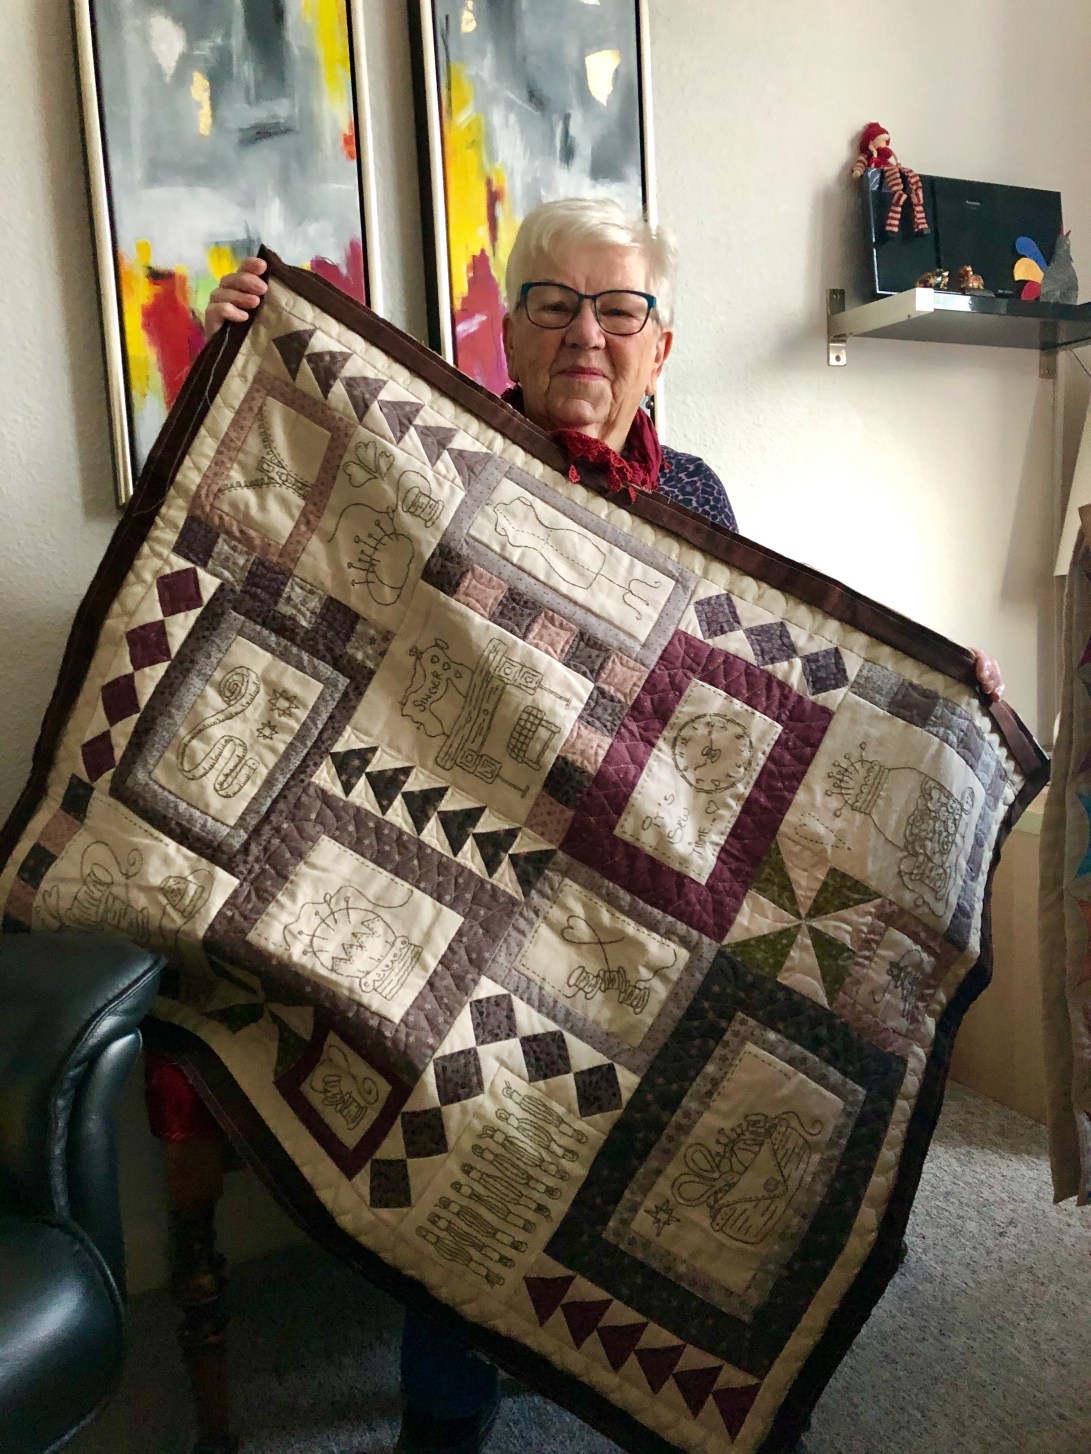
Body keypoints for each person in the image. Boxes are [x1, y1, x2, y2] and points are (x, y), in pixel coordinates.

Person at [204, 198, 1004, 1453]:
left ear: (659, 346)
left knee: (775, 1072)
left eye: (619, 308)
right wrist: (236, 355)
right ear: (508, 330)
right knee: (457, 1099)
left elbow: (768, 692)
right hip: (461, 870)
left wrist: (944, 698)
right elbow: (268, 541)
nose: (587, 332)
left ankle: (656, 1371)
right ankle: (445, 1413)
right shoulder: (439, 454)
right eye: (554, 303)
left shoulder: (694, 493)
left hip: (648, 883)